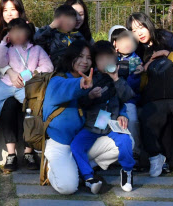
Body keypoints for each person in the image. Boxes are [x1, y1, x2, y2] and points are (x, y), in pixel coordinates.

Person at [127, 12, 173, 179]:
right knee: (149, 118)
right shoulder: (137, 49)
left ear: (148, 24)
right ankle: (156, 157)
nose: (139, 33)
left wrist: (166, 54)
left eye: (141, 27)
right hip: (153, 93)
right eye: (133, 30)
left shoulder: (167, 37)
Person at [42, 40, 119, 195]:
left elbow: (114, 101)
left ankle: (79, 168)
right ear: (70, 57)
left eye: (89, 57)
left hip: (81, 142)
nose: (85, 61)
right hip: (60, 144)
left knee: (122, 145)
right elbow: (66, 88)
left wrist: (122, 115)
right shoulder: (58, 80)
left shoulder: (95, 81)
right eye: (80, 56)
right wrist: (81, 83)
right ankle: (52, 168)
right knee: (68, 187)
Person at [0, 18, 53, 171]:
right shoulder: (7, 48)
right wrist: (2, 44)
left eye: (21, 31)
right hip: (7, 84)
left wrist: (33, 73)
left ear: (28, 32)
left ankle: (35, 144)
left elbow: (48, 66)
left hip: (26, 88)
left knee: (33, 110)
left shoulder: (36, 50)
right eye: (13, 32)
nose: (17, 35)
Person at [70, 41, 135, 193]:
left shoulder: (119, 78)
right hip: (93, 124)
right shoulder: (91, 79)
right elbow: (82, 103)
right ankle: (88, 177)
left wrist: (116, 79)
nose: (106, 62)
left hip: (112, 122)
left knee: (125, 140)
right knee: (76, 145)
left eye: (109, 58)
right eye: (101, 59)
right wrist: (90, 96)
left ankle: (127, 171)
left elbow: (127, 96)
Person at [108, 25, 143, 156]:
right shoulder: (109, 58)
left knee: (132, 121)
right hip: (109, 99)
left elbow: (133, 88)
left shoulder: (136, 60)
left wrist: (134, 75)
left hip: (128, 100)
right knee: (101, 122)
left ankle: (135, 152)